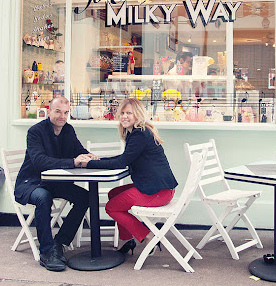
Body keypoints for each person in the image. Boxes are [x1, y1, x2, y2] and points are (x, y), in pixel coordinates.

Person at [78, 98, 178, 255]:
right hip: (158, 188)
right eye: (122, 113)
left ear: (137, 115)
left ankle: (148, 236)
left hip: (158, 192)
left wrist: (89, 164)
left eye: (129, 113)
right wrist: (97, 160)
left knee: (111, 207)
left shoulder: (140, 134)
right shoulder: (138, 133)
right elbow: (124, 158)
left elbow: (122, 162)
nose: (124, 116)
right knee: (114, 194)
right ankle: (127, 239)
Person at [14, 96, 96, 272]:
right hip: (31, 183)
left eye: (66, 113)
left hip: (55, 182)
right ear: (49, 111)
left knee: (85, 197)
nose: (62, 116)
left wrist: (88, 156)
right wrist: (73, 162)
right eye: (58, 111)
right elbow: (39, 162)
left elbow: (78, 150)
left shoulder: (68, 130)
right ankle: (46, 252)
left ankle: (59, 243)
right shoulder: (35, 132)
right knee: (44, 197)